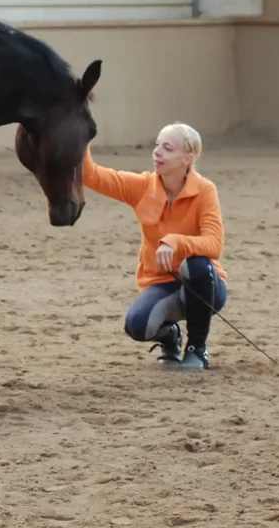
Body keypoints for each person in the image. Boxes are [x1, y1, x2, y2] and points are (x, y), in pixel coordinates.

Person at [82, 121, 229, 370]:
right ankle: (169, 336)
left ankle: (197, 350)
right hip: (161, 283)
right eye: (157, 145)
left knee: (198, 263)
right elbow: (90, 175)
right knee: (137, 326)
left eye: (168, 148)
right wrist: (82, 131)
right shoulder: (141, 187)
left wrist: (175, 241)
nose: (157, 152)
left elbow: (214, 244)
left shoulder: (205, 190)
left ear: (187, 159)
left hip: (206, 285)